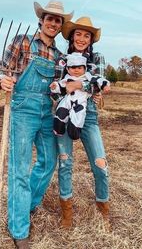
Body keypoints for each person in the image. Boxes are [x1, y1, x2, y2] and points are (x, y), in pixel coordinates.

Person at [0, 0, 74, 248]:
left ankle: (23, 204)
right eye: (49, 18)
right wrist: (2, 80)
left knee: (49, 161)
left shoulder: (60, 56)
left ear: (60, 26)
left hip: (47, 111)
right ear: (41, 20)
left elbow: (63, 87)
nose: (52, 23)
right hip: (23, 109)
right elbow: (0, 67)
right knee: (19, 168)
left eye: (57, 20)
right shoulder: (22, 41)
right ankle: (19, 230)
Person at [55, 16, 111, 228]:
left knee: (100, 163)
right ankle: (67, 212)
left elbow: (98, 86)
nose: (81, 38)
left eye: (86, 35)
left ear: (91, 40)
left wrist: (75, 84)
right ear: (71, 36)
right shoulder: (62, 59)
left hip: (89, 116)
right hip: (64, 113)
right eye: (78, 33)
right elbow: (58, 87)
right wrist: (78, 87)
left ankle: (103, 207)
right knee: (65, 162)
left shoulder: (97, 58)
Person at [50, 53, 110, 140]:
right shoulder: (66, 78)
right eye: (73, 68)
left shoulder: (87, 77)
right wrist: (55, 87)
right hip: (67, 100)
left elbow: (99, 80)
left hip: (80, 102)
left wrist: (105, 85)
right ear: (68, 69)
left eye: (79, 68)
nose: (76, 70)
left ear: (85, 68)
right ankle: (58, 129)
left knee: (78, 116)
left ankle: (74, 131)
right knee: (60, 112)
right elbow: (60, 86)